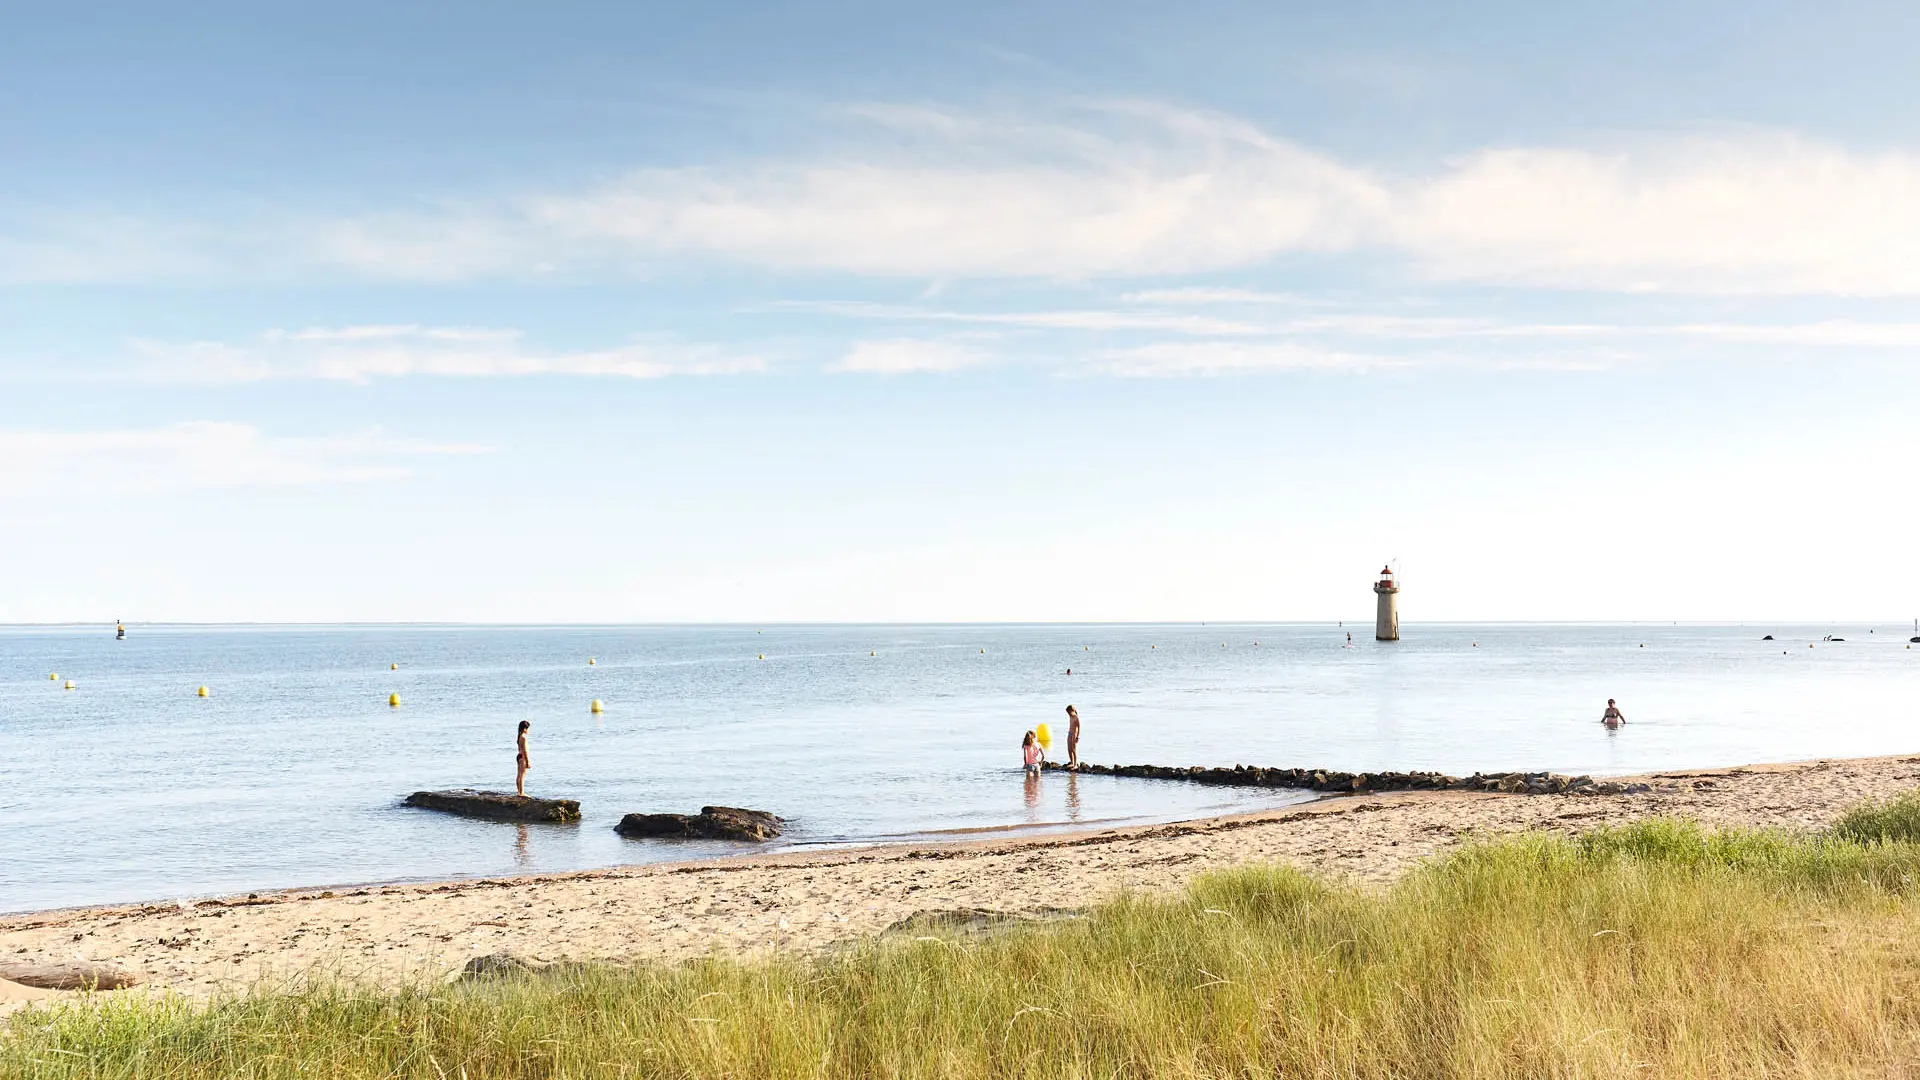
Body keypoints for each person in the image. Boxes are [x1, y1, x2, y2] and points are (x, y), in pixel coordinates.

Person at [515, 720, 532, 796]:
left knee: (519, 775)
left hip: (519, 756)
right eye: (528, 728)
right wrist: (528, 761)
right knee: (522, 775)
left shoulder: (519, 736)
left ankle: (519, 792)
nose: (528, 730)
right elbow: (525, 750)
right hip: (523, 757)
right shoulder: (523, 737)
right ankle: (521, 793)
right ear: (525, 729)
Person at [1065, 705, 1082, 769]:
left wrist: (1077, 736)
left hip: (1074, 734)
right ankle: (1072, 762)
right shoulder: (1071, 717)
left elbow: (1079, 727)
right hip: (1070, 733)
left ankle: (1075, 764)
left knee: (1073, 749)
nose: (1068, 714)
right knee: (1069, 749)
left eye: (1069, 712)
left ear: (1072, 710)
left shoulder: (1076, 717)